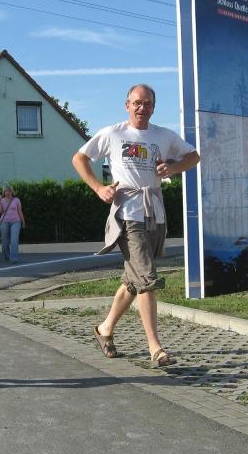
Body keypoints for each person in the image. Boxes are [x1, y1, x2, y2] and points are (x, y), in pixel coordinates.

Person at [72, 84, 200, 367]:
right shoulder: (113, 133)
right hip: (128, 214)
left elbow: (194, 156)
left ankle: (104, 329)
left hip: (154, 213)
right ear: (127, 105)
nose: (142, 108)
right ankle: (156, 348)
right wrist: (98, 188)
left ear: (154, 107)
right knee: (147, 278)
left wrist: (173, 168)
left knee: (134, 280)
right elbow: (79, 158)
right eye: (137, 103)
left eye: (148, 103)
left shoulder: (163, 135)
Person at [0, 185, 25, 264]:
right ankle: (7, 256)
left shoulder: (16, 200)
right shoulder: (2, 200)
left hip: (16, 222)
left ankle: (14, 258)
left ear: (12, 192)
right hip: (4, 222)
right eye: (6, 191)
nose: (7, 193)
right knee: (5, 241)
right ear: (4, 192)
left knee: (14, 240)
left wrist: (23, 221)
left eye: (9, 191)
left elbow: (20, 211)